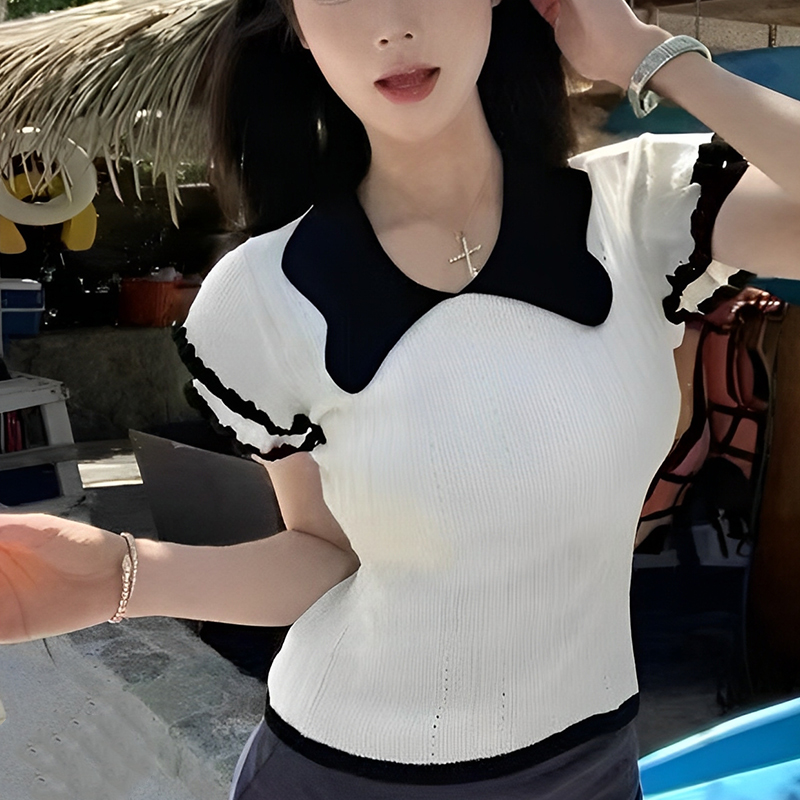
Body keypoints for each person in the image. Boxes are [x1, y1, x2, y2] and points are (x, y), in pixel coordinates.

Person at [1, 0, 799, 797]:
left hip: (588, 763)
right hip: (340, 773)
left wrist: (648, 54)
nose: (390, 24)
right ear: (297, 24)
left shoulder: (640, 209)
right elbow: (324, 552)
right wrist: (120, 576)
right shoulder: (262, 295)